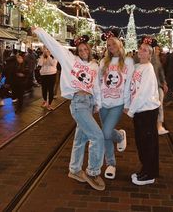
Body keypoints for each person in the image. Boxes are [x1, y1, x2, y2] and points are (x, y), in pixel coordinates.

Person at [32, 28, 105, 191]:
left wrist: (98, 104)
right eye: (80, 49)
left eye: (86, 48)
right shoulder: (70, 60)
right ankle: (93, 172)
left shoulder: (94, 65)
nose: (84, 51)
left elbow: (97, 86)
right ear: (77, 51)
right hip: (78, 103)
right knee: (97, 136)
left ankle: (74, 169)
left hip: (89, 103)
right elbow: (55, 45)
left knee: (80, 139)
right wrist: (39, 31)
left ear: (90, 49)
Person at [99, 31, 134, 180]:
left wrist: (127, 103)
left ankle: (119, 136)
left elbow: (128, 84)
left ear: (120, 44)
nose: (111, 46)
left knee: (107, 132)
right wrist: (97, 101)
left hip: (118, 103)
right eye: (108, 45)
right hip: (103, 102)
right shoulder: (103, 62)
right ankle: (111, 164)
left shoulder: (128, 62)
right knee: (105, 135)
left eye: (113, 43)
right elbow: (98, 83)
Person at [124, 40, 160, 186]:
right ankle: (145, 169)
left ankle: (149, 173)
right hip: (139, 110)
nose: (141, 51)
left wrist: (131, 110)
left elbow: (143, 93)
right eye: (140, 49)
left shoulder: (149, 69)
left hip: (147, 110)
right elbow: (130, 86)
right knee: (141, 142)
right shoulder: (138, 66)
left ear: (150, 55)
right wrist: (128, 105)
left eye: (145, 50)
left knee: (148, 143)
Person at [151, 41, 169, 135]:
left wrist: (164, 83)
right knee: (159, 106)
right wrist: (164, 83)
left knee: (158, 106)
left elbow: (161, 72)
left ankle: (158, 126)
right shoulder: (154, 59)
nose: (159, 50)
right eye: (157, 49)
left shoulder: (156, 59)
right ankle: (159, 126)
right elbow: (160, 72)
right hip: (156, 86)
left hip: (157, 86)